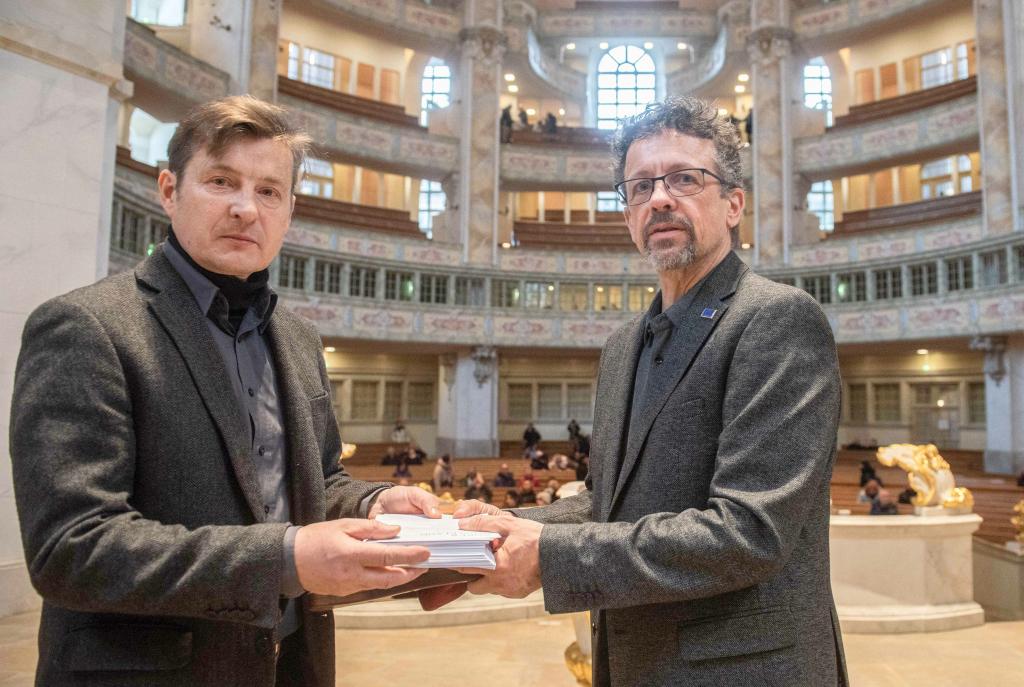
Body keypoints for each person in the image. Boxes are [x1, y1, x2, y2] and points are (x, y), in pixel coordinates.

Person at [9, 96, 441, 686]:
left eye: (269, 191)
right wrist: (287, 558)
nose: (246, 208)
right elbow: (72, 548)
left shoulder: (297, 338)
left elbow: (314, 482)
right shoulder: (87, 328)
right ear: (169, 190)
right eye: (221, 181)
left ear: (290, 210)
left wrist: (371, 503)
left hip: (292, 664)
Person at [449, 97, 848, 686]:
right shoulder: (621, 347)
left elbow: (749, 532)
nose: (659, 197)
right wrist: (508, 526)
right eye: (639, 187)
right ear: (629, 215)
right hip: (635, 663)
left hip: (743, 671)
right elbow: (607, 503)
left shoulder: (776, 320)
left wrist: (547, 556)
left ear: (734, 204)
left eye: (685, 179)